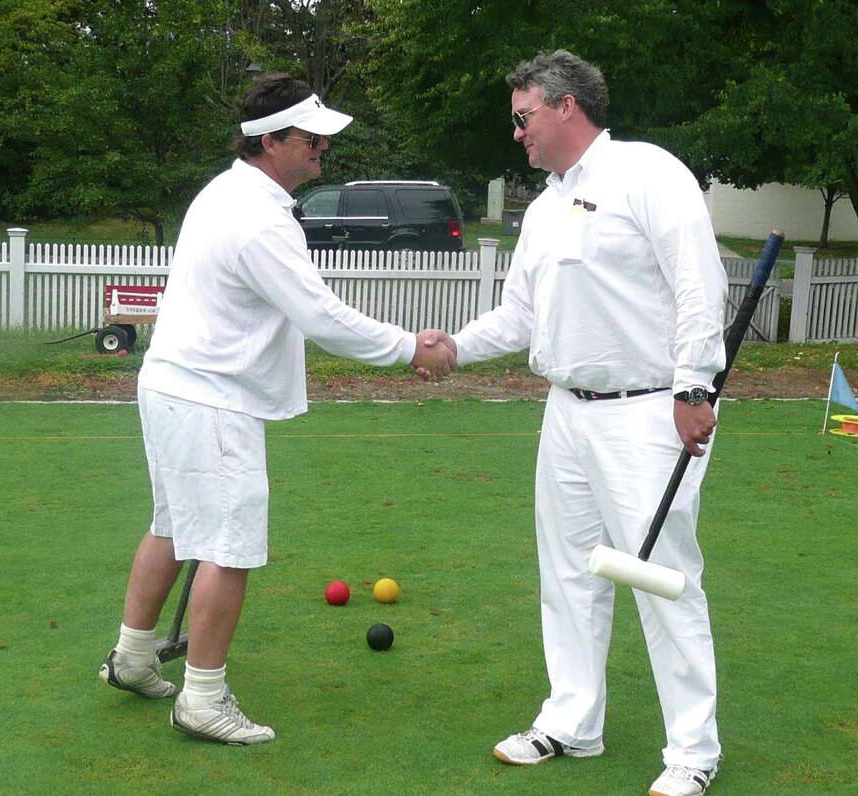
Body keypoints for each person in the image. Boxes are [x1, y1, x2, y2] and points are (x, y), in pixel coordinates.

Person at [98, 74, 455, 745]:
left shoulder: (229, 191)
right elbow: (320, 316)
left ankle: (135, 657)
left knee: (173, 527)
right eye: (310, 138)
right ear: (271, 142)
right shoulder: (258, 216)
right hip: (209, 396)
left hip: (176, 385)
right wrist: (411, 347)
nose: (323, 148)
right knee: (227, 549)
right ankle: (202, 697)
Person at [422, 50, 727, 796]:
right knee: (567, 574)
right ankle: (573, 721)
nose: (518, 134)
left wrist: (694, 383)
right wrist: (458, 347)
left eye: (524, 118)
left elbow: (699, 282)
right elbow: (523, 314)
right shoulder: (547, 205)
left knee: (663, 580)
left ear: (565, 107)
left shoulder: (649, 174)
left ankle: (693, 752)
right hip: (567, 413)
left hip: (648, 413)